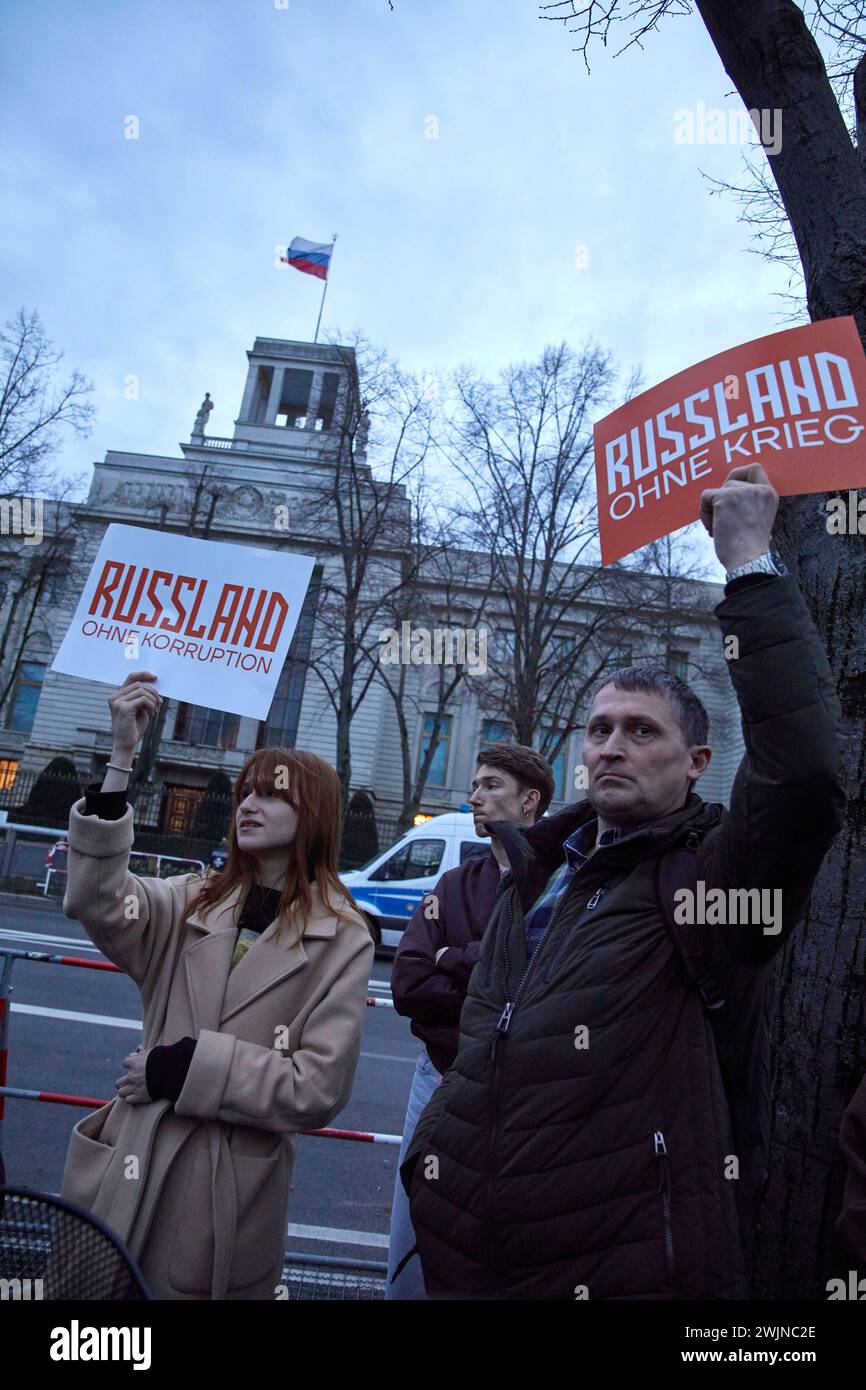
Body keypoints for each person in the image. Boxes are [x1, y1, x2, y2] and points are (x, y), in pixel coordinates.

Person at [401, 463, 846, 1300]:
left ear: (697, 764)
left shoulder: (711, 882)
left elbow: (804, 773)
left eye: (641, 731)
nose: (610, 746)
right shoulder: (533, 870)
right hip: (468, 1260)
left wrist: (749, 561)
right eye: (599, 728)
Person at [60, 670, 374, 1300]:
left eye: (271, 796)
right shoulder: (191, 899)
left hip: (224, 1190)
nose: (248, 806)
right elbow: (98, 900)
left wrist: (187, 1069)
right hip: (133, 1161)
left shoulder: (343, 937)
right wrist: (122, 756)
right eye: (244, 795)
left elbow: (317, 1088)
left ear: (311, 815)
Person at [386, 744, 555, 1298]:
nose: (474, 796)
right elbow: (408, 982)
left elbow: (535, 988)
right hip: (437, 1077)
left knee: (504, 1233)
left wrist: (453, 959)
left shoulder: (557, 888)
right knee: (413, 1222)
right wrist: (482, 972)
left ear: (530, 801)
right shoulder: (455, 884)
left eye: (490, 786)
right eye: (475, 784)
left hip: (522, 1091)